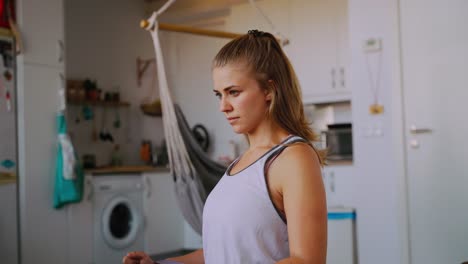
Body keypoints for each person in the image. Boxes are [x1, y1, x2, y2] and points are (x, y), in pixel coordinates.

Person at [123, 29, 327, 264]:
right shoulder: (239, 164)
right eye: (218, 95)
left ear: (269, 91)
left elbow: (308, 260)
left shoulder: (293, 158)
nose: (224, 106)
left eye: (233, 92)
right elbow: (220, 253)